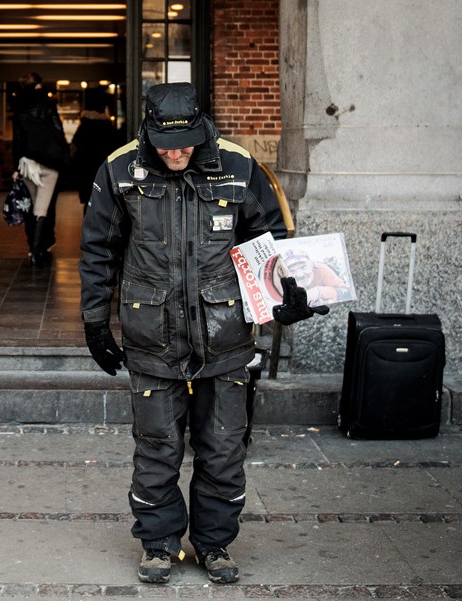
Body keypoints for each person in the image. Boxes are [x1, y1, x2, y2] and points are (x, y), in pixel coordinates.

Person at [78, 82, 324, 585]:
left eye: (186, 142)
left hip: (226, 332)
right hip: (153, 333)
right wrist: (94, 321)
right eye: (167, 144)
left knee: (224, 446)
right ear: (147, 130)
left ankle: (215, 544)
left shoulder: (238, 164)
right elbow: (99, 250)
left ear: (201, 127)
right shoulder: (119, 168)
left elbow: (269, 241)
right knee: (156, 444)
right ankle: (159, 543)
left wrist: (288, 296)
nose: (176, 152)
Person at [11, 72, 70, 267]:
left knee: (33, 206)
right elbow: (58, 131)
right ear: (38, 86)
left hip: (27, 163)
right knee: (44, 208)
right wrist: (64, 156)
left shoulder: (18, 107)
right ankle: (40, 248)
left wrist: (15, 167)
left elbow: (17, 140)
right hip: (48, 163)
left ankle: (33, 247)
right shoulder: (47, 104)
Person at [70, 94, 122, 211]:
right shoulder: (109, 128)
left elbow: (74, 149)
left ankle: (89, 227)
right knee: (106, 202)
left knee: (88, 203)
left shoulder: (83, 128)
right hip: (105, 170)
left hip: (86, 170)